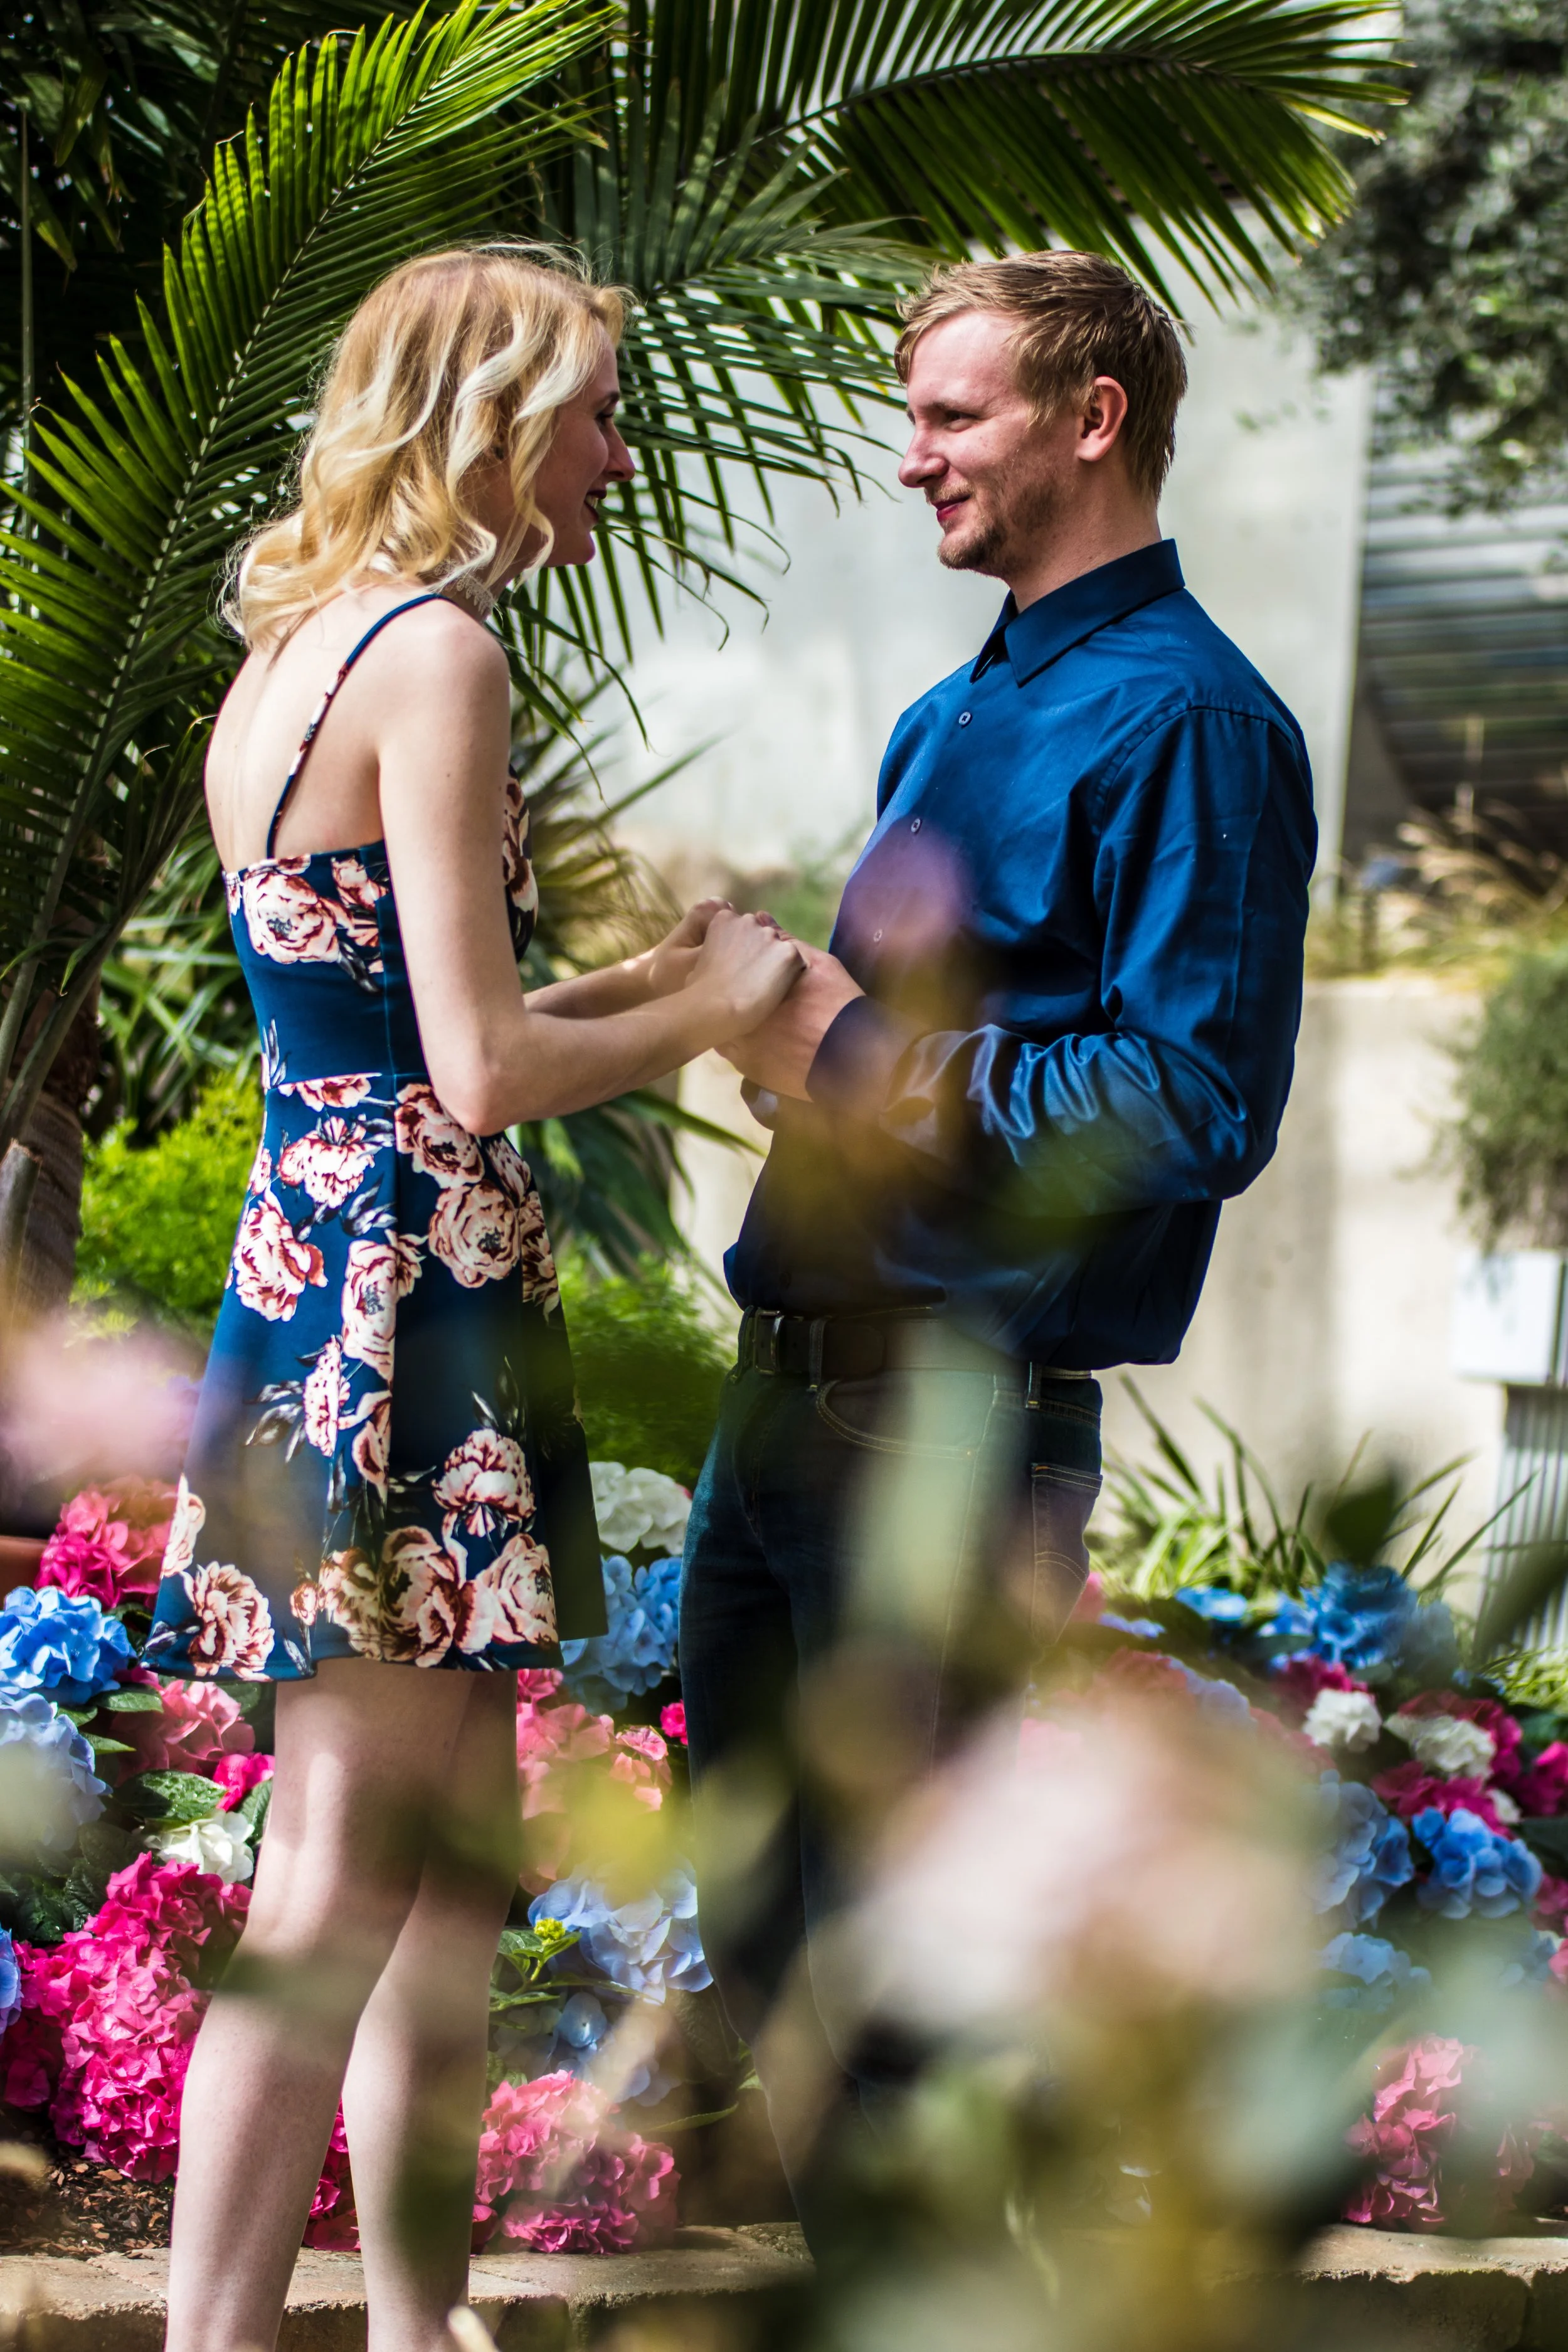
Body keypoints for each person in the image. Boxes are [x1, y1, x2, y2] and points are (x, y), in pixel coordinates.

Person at [148, 247, 802, 2352]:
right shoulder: (435, 654)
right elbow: (481, 1072)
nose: (617, 448)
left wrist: (667, 982)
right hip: (409, 1291)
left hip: (334, 1263)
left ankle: (419, 2324)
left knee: (429, 1867)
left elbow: (383, 1019)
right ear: (495, 415)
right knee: (339, 1871)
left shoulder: (293, 656)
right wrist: (707, 1005)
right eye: (597, 407)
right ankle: (217, 2336)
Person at [678, 251, 1318, 2232]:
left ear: (1091, 420)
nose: (910, 459)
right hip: (783, 1404)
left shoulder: (1198, 724)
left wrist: (852, 1044)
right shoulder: (955, 711)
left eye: (950, 415)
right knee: (771, 1944)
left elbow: (1193, 1106)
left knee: (898, 1999)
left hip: (950, 1428)